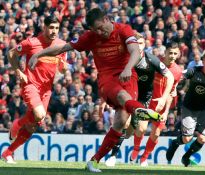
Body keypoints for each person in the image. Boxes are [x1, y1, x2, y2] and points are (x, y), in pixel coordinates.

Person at [28, 8, 161, 172]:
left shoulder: (123, 29)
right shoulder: (90, 37)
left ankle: (94, 161)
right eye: (95, 30)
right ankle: (139, 110)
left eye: (100, 28)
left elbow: (135, 51)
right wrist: (38, 54)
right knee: (122, 96)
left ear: (106, 19)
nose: (99, 32)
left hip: (128, 74)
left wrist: (127, 68)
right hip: (107, 79)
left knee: (120, 121)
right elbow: (63, 48)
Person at [1, 16, 67, 164]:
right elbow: (11, 53)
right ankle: (17, 124)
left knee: (33, 125)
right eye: (51, 27)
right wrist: (19, 72)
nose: (54, 31)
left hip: (46, 90)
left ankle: (8, 153)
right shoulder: (32, 42)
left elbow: (62, 69)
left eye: (56, 28)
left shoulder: (62, 45)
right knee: (39, 114)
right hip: (31, 85)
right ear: (44, 27)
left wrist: (63, 68)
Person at [105, 33, 174, 167]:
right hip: (128, 95)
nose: (139, 46)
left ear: (145, 45)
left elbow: (170, 76)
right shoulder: (124, 59)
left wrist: (164, 98)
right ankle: (112, 156)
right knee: (124, 123)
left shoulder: (151, 59)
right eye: (136, 43)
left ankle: (130, 143)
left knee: (138, 130)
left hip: (144, 98)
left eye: (141, 43)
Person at [166, 51, 205, 167]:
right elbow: (179, 77)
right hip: (189, 108)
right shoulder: (194, 71)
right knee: (187, 138)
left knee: (203, 139)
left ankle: (187, 156)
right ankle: (175, 143)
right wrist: (174, 86)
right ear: (203, 62)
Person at [131, 42, 182, 166]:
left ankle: (144, 158)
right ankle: (136, 148)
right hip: (148, 101)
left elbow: (171, 93)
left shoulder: (177, 71)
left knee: (156, 133)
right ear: (165, 52)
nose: (172, 56)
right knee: (141, 128)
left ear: (178, 54)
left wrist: (165, 112)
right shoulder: (155, 63)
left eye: (175, 53)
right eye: (170, 53)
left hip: (162, 105)